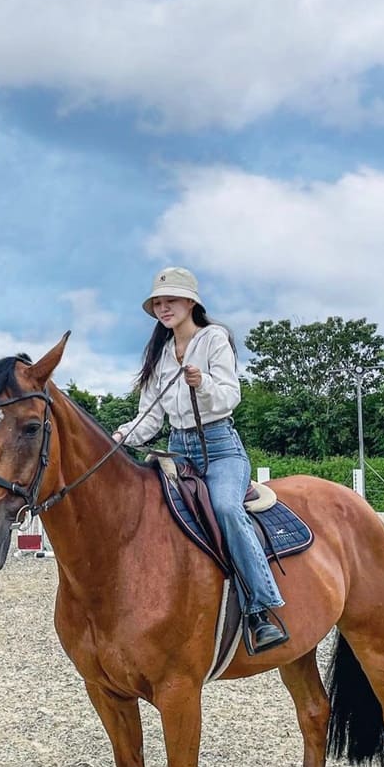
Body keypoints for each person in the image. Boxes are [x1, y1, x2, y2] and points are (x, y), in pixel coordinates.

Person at [112, 267, 287, 653]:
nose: (163, 308)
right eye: (158, 302)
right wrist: (122, 436)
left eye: (170, 300)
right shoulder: (159, 355)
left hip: (221, 447)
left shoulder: (214, 339)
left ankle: (262, 611)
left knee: (225, 507)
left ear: (191, 302)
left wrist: (202, 384)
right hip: (177, 449)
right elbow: (151, 415)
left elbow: (230, 396)